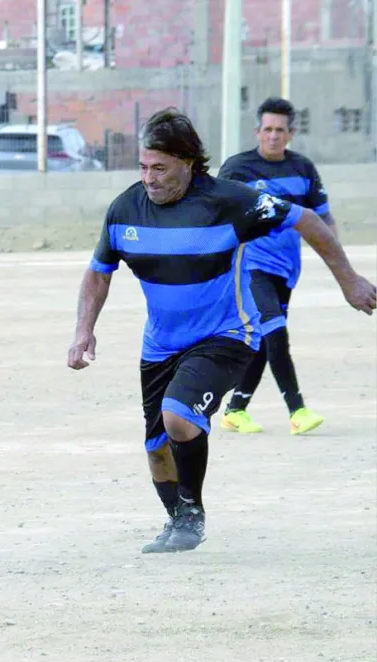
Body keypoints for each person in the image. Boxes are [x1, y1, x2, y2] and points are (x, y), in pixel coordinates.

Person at [67, 108, 375, 554]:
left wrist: (348, 279)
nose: (149, 178)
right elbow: (99, 273)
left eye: (160, 168)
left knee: (179, 416)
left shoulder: (231, 202)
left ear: (188, 162)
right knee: (157, 448)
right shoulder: (124, 210)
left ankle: (192, 514)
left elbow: (305, 218)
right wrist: (83, 331)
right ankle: (176, 521)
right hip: (161, 344)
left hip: (227, 334)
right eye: (143, 167)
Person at [218, 98, 336, 435]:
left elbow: (323, 216)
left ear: (290, 134)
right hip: (249, 266)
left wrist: (337, 261)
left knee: (264, 338)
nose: (273, 135)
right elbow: (215, 212)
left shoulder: (302, 169)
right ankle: (297, 410)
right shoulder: (237, 168)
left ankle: (236, 410)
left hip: (286, 269)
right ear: (257, 132)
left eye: (279, 130)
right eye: (267, 129)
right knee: (275, 331)